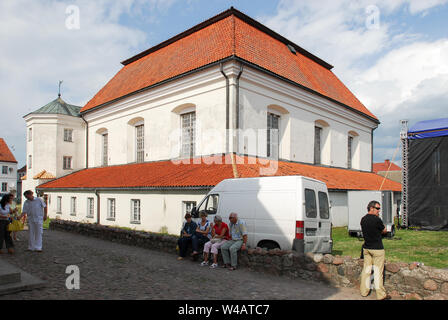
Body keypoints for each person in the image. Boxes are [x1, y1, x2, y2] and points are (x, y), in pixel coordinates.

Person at [359, 200, 391, 300]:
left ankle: (364, 292)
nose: (379, 211)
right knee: (378, 272)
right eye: (377, 208)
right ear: (371, 208)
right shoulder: (377, 220)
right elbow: (384, 230)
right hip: (377, 249)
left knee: (366, 271)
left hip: (366, 248)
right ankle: (381, 295)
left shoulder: (363, 219)